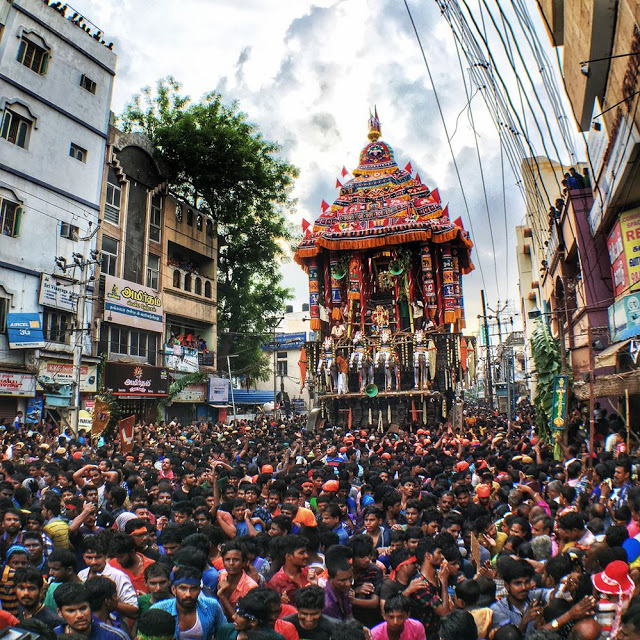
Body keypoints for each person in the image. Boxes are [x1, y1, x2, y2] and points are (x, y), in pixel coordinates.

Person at [150, 565, 226, 640]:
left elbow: (225, 633)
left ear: (199, 590)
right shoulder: (159, 610)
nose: (188, 594)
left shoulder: (212, 606)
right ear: (173, 590)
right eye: (183, 589)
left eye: (193, 589)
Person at [78, 535, 139, 621]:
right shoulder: (82, 575)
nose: (93, 562)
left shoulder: (118, 576)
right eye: (89, 558)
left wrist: (110, 603)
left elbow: (134, 611)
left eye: (98, 557)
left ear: (106, 556)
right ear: (83, 556)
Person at [53, 582, 130, 640]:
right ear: (60, 612)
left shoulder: (115, 637)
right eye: (71, 611)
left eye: (83, 608)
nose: (79, 615)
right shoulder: (52, 636)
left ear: (90, 607)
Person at [217, 540, 259, 619]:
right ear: (223, 561)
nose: (231, 563)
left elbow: (239, 620)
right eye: (227, 559)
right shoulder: (222, 576)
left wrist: (223, 597)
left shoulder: (250, 587)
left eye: (236, 560)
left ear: (244, 562)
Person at [267, 535, 314, 602]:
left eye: (306, 552)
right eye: (301, 553)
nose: (306, 556)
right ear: (288, 556)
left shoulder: (309, 573)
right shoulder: (276, 583)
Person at [323, 555, 353, 621]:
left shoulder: (343, 591)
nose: (348, 584)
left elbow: (350, 617)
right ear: (330, 579)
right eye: (343, 580)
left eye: (350, 578)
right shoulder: (327, 604)